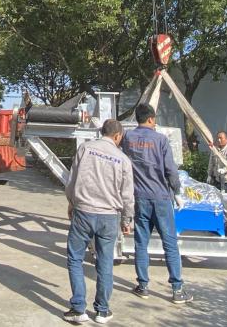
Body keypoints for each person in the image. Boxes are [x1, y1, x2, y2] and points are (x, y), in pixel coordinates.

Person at [121, 103, 193, 305]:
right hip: (161, 198)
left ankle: (143, 286)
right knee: (170, 244)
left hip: (139, 198)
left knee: (141, 243)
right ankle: (177, 289)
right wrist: (177, 192)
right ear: (151, 119)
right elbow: (171, 170)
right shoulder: (161, 140)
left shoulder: (127, 138)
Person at [64, 119, 134, 324]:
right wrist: (127, 219)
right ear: (118, 136)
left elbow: (72, 180)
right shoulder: (123, 159)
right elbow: (128, 195)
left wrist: (71, 203)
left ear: (102, 132)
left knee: (75, 258)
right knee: (105, 262)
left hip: (83, 212)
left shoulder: (85, 149)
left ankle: (78, 309)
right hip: (109, 217)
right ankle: (102, 311)